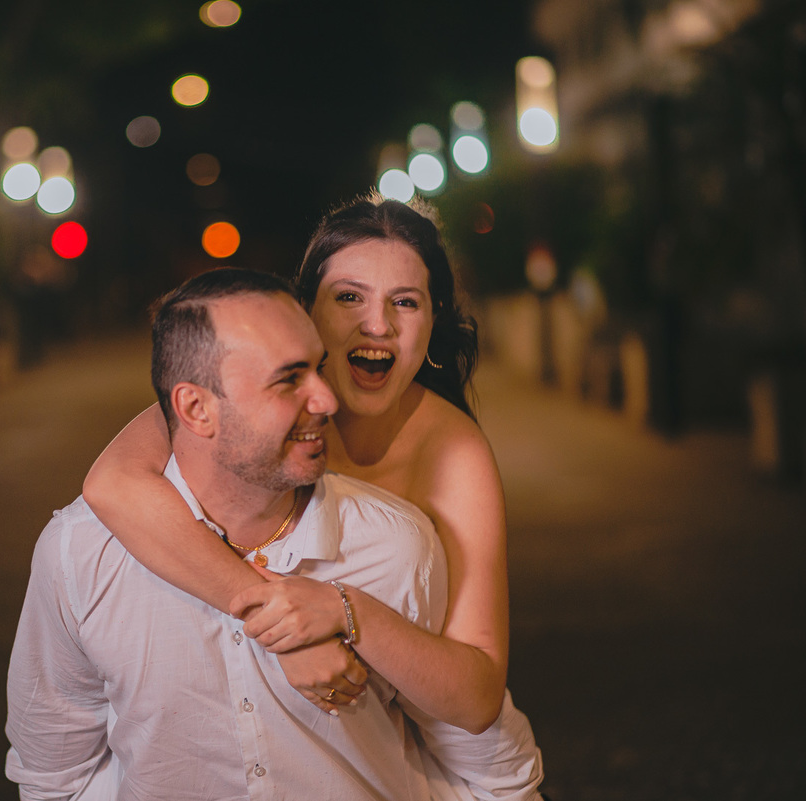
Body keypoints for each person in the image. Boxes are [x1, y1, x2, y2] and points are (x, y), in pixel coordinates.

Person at [82, 195, 544, 798]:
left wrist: (343, 612)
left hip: (429, 755)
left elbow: (477, 694)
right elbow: (111, 484)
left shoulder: (454, 450)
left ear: (434, 323)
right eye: (349, 297)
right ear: (304, 313)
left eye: (406, 302)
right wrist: (277, 620)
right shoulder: (243, 407)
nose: (377, 325)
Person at [8, 269, 460, 799]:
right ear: (195, 409)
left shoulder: (394, 545)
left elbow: (473, 752)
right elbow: (55, 774)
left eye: (317, 368)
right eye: (288, 379)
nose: (328, 399)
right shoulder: (81, 553)